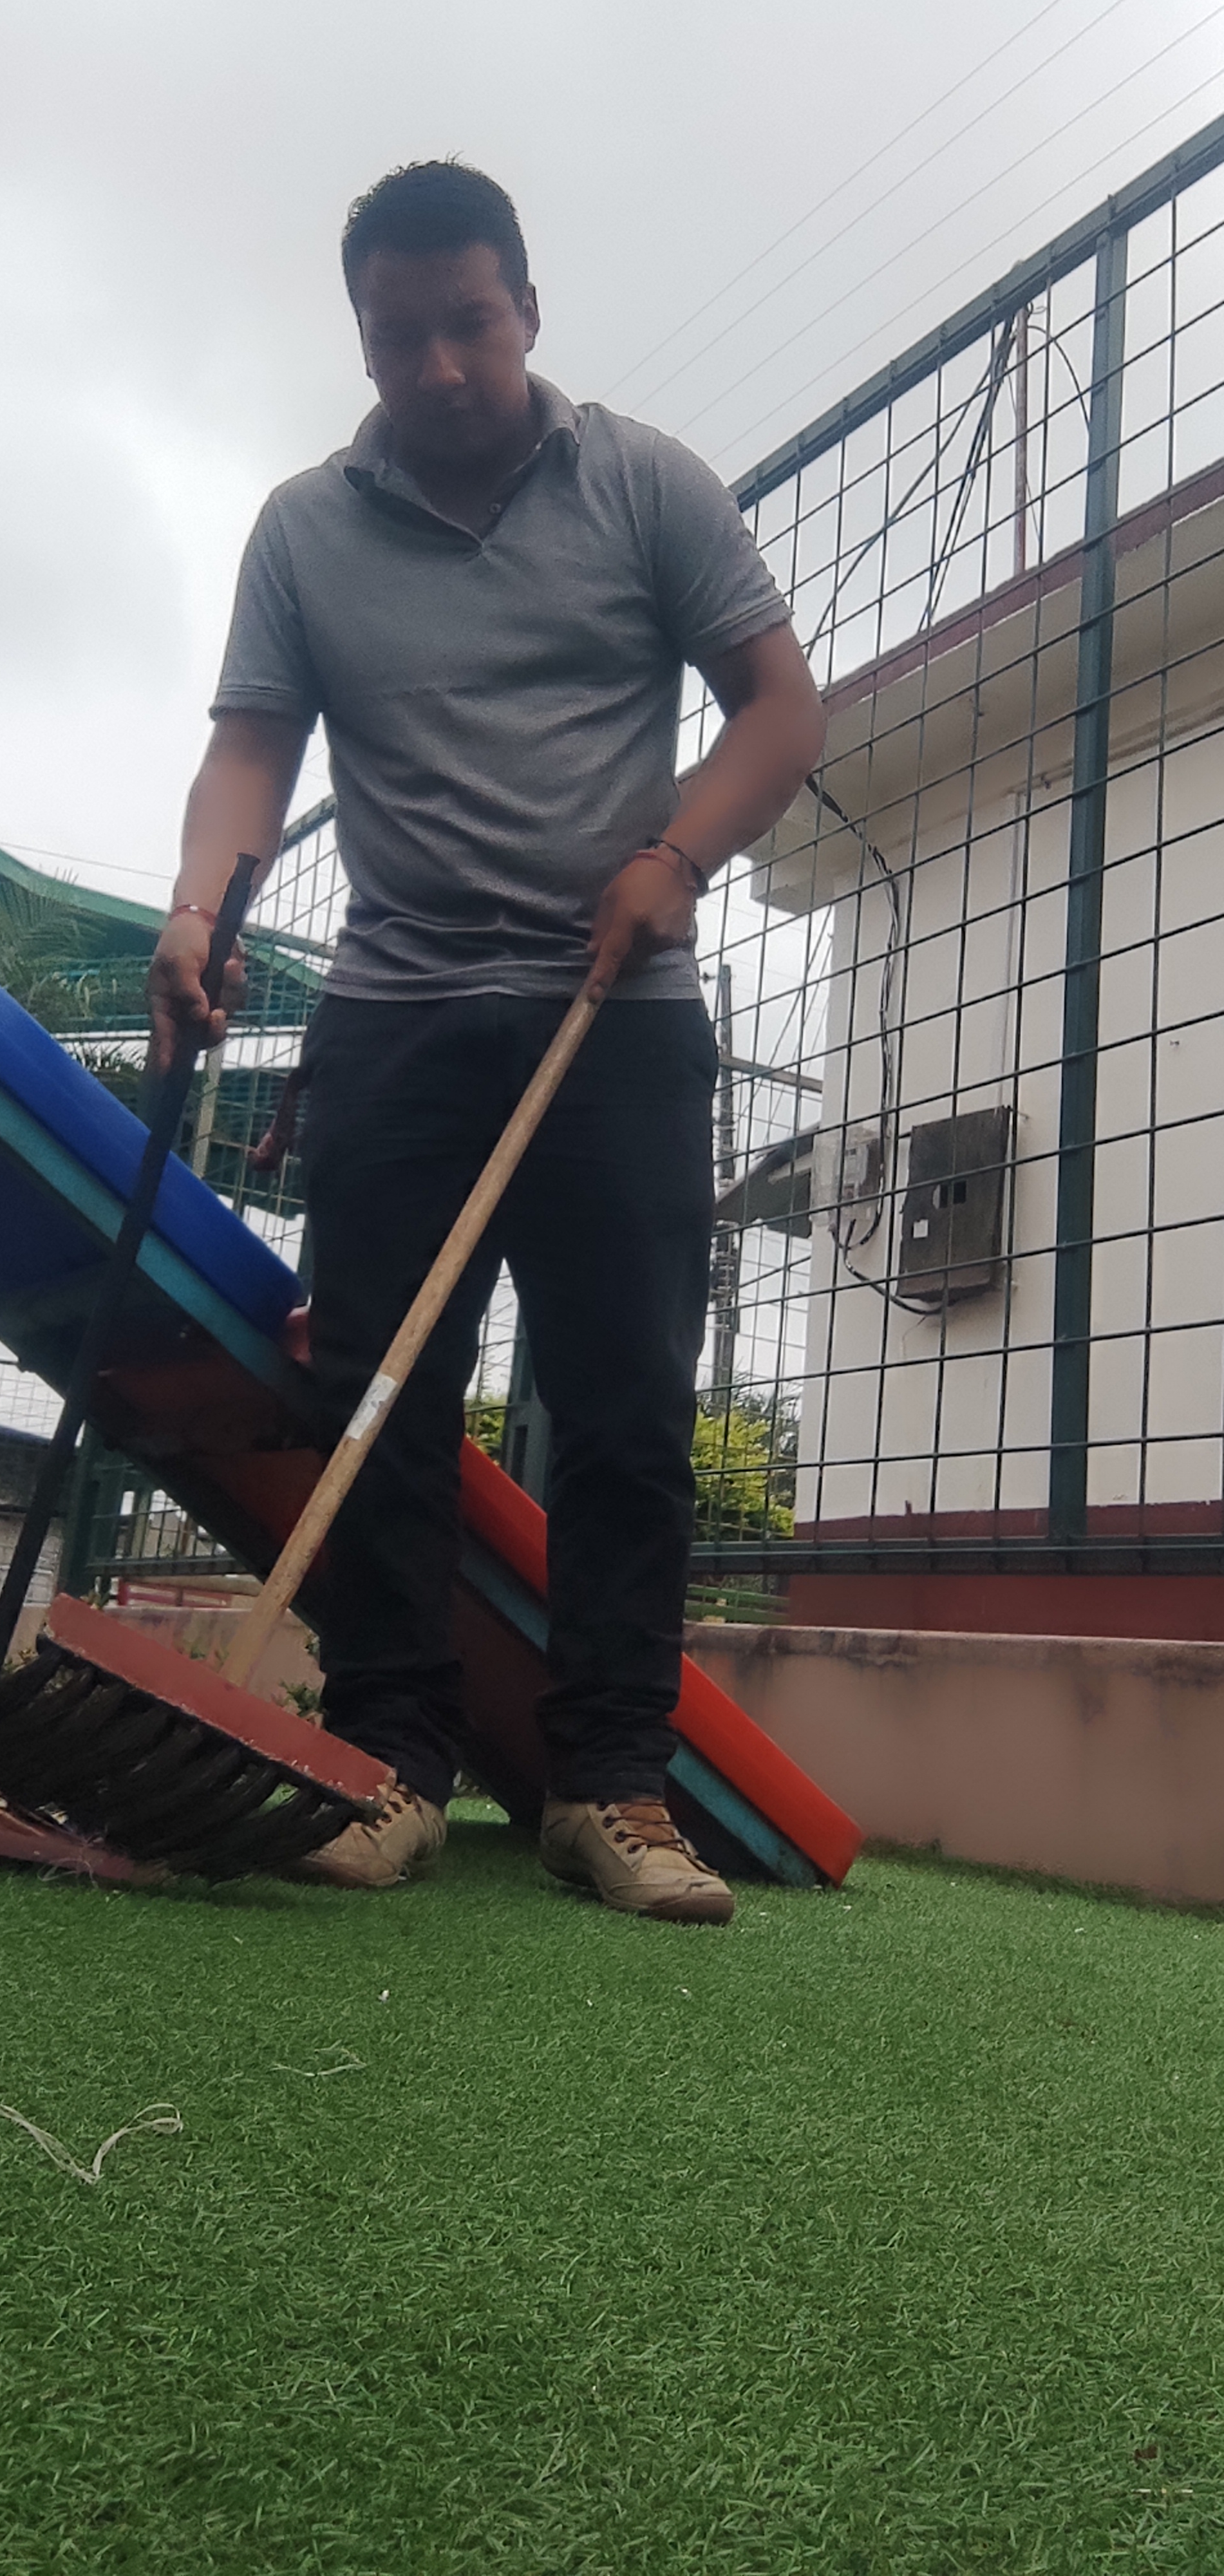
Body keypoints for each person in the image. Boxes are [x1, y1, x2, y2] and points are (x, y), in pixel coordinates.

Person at [148, 160, 825, 1925]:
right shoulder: (304, 530)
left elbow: (779, 706)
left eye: (470, 323)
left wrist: (678, 858)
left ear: (527, 308)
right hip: (397, 1009)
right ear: (363, 343)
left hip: (620, 1013)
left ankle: (610, 1786)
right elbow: (252, 748)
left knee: (624, 1404)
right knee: (372, 1389)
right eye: (400, 338)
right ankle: (386, 1762)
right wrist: (200, 905)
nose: (440, 366)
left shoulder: (647, 484)